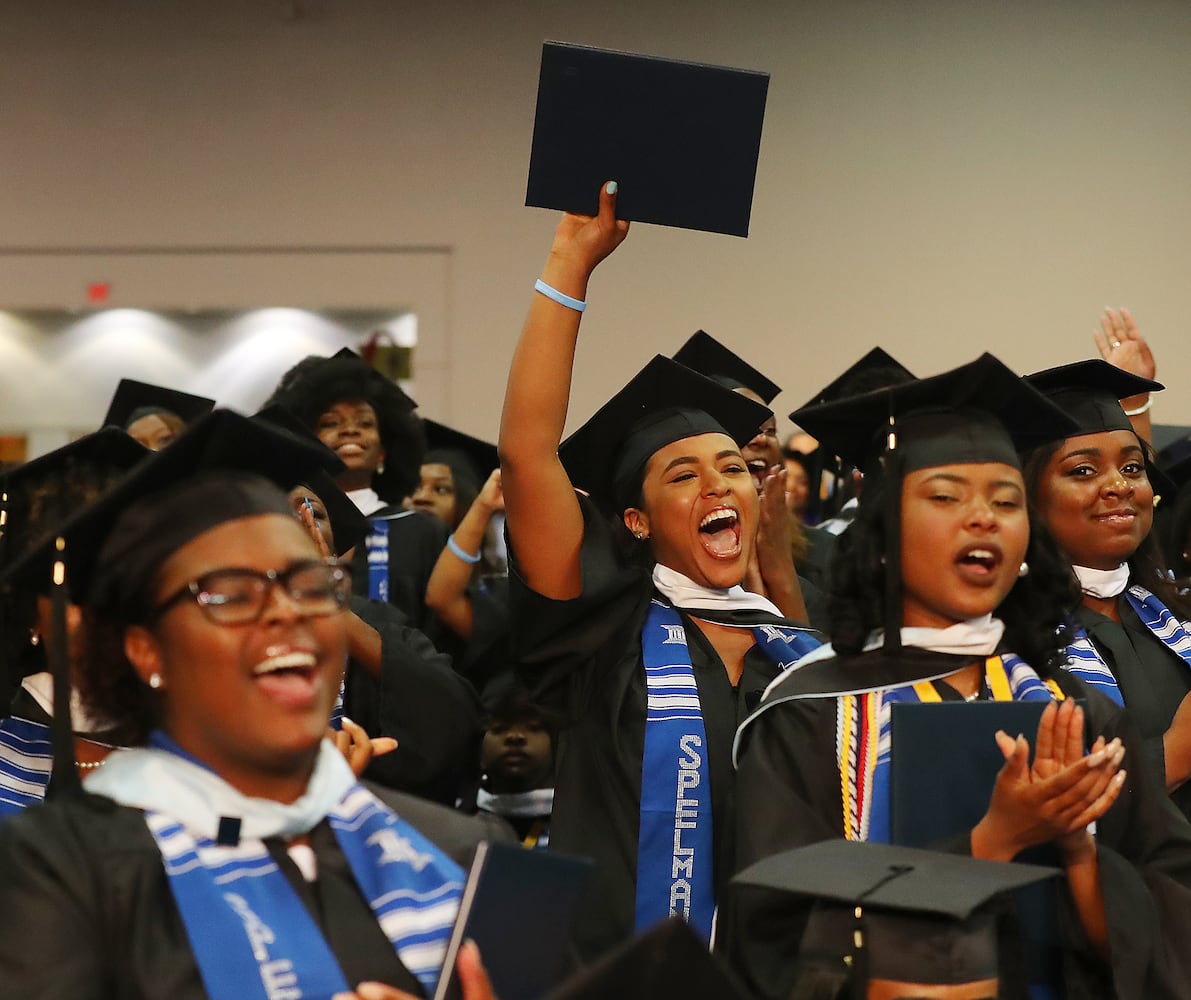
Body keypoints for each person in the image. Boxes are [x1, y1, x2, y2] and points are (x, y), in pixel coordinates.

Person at [723, 355, 1191, 999]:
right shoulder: (808, 714)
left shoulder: (1076, 711)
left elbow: (1170, 920)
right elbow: (773, 945)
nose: (983, 518)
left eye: (1006, 500)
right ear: (883, 536)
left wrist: (1080, 857)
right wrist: (991, 844)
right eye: (946, 496)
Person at [0, 411, 502, 1000]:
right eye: (232, 594)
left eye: (311, 585)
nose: (288, 612)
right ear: (145, 650)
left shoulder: (456, 859)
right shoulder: (65, 870)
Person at [499, 182, 820, 960]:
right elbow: (526, 454)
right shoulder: (599, 634)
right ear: (635, 521)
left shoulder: (800, 655)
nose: (716, 485)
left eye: (731, 467)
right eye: (681, 476)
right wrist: (568, 265)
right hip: (626, 974)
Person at [1022, 359, 1191, 821]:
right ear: (1027, 497)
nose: (1118, 485)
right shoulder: (1013, 644)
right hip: (1118, 885)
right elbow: (1047, 810)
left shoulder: (1178, 615)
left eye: (1133, 467)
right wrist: (1176, 753)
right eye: (1082, 471)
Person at [265, 350, 448, 632]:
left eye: (365, 423)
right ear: (305, 440)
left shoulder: (422, 531)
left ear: (384, 452)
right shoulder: (284, 524)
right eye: (331, 423)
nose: (350, 430)